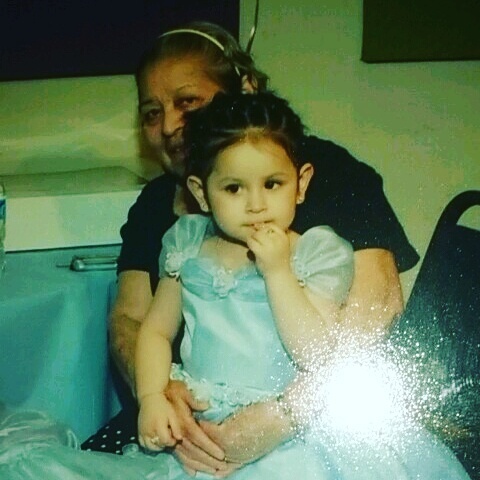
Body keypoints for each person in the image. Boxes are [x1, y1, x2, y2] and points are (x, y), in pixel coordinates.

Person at [83, 21, 420, 475]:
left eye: (188, 102)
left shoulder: (326, 199)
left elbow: (369, 313)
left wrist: (285, 415)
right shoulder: (174, 226)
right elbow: (136, 322)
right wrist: (157, 394)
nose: (170, 126)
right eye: (151, 112)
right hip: (192, 414)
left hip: (303, 421)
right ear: (203, 192)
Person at [132, 91, 469, 479]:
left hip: (288, 436)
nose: (256, 204)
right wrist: (151, 396)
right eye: (234, 188)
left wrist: (278, 274)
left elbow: (316, 354)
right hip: (202, 428)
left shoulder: (314, 254)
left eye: (272, 184)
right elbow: (156, 331)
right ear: (201, 193)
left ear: (301, 183)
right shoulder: (188, 245)